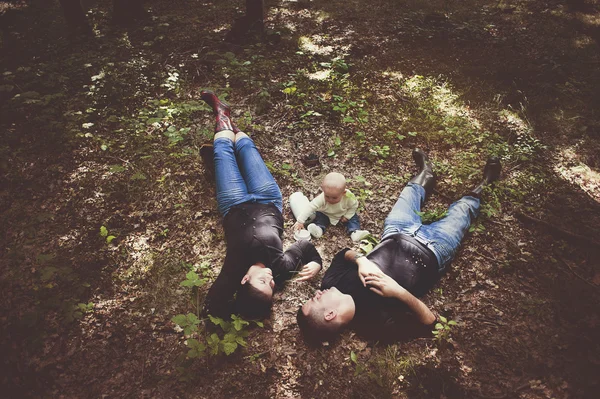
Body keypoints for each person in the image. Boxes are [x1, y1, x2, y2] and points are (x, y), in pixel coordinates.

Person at [297, 149, 501, 343]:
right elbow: (430, 324)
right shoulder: (373, 326)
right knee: (463, 210)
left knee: (410, 193)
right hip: (434, 248)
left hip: (395, 232)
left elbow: (342, 255)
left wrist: (361, 261)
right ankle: (487, 181)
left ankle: (426, 172)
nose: (316, 294)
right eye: (314, 301)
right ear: (330, 315)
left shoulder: (330, 284)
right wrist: (397, 291)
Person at [199, 91, 323, 320]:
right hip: (268, 199)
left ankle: (220, 112)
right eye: (272, 284)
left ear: (244, 279)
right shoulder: (281, 267)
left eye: (263, 281)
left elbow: (211, 309)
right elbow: (305, 248)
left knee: (223, 150)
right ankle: (226, 121)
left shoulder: (233, 270)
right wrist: (316, 263)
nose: (270, 276)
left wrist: (238, 316)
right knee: (247, 147)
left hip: (233, 202)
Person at [292, 172, 371, 242]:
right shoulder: (321, 198)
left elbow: (354, 205)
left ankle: (354, 232)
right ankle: (318, 229)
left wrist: (347, 216)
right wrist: (300, 221)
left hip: (342, 214)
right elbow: (310, 207)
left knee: (353, 218)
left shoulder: (348, 196)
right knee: (320, 217)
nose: (330, 200)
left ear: (343, 193)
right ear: (323, 191)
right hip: (326, 213)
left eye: (334, 198)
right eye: (327, 196)